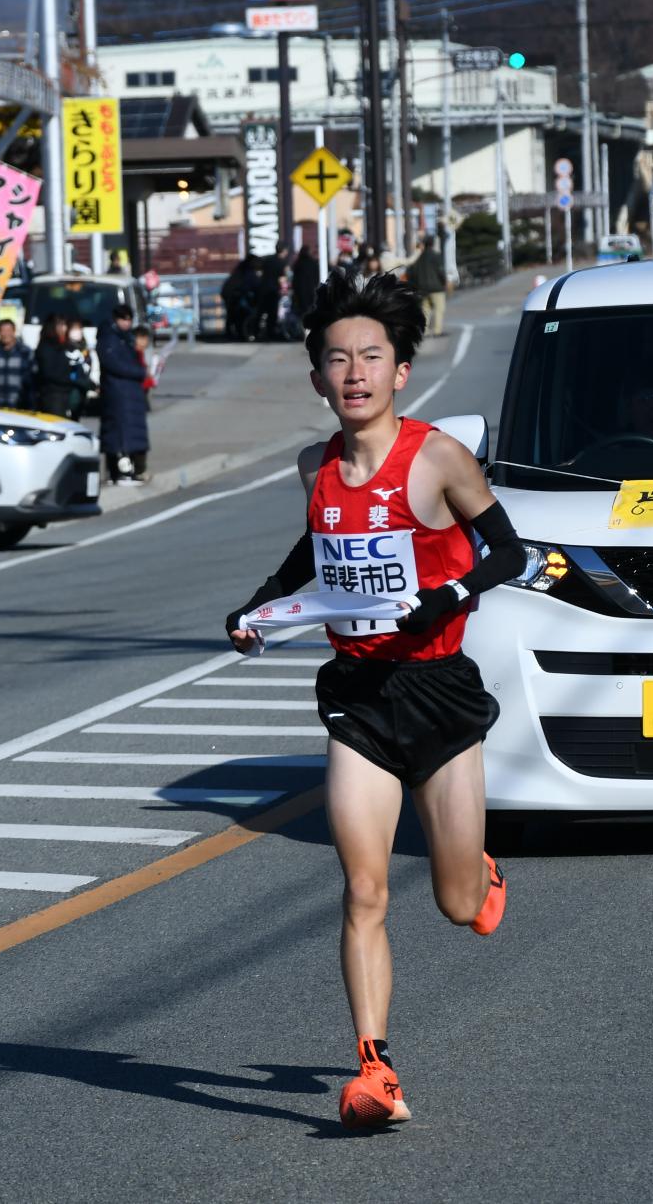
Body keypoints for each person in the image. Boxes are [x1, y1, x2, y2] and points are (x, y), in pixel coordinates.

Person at [222, 269, 524, 1131]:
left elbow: (510, 552)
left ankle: (479, 873)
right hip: (358, 696)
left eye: (371, 357)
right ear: (317, 377)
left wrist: (446, 597)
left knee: (457, 904)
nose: (354, 372)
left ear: (400, 371)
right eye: (337, 359)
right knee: (363, 887)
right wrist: (257, 608)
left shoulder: (437, 457)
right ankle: (375, 1071)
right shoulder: (312, 466)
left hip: (438, 691)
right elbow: (315, 549)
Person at [97, 303, 150, 485]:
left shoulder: (125, 337)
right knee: (119, 435)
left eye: (129, 319)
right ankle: (120, 472)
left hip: (128, 393)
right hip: (118, 393)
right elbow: (114, 364)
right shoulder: (110, 338)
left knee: (125, 434)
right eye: (123, 319)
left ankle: (125, 471)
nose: (127, 323)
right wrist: (139, 372)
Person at [34, 315, 93, 420]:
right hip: (53, 396)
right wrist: (75, 381)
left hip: (63, 395)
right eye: (61, 325)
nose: (64, 328)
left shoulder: (60, 347)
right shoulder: (48, 347)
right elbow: (52, 374)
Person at [0, 317, 35, 410]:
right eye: (3, 331)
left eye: (8, 330)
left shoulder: (25, 352)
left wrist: (31, 402)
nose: (5, 334)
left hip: (20, 405)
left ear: (14, 331)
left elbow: (32, 380)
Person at [408, 233, 451, 337]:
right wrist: (444, 282)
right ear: (432, 244)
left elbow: (413, 273)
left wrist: (416, 286)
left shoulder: (419, 258)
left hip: (422, 288)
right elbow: (440, 271)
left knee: (425, 310)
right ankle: (437, 331)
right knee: (439, 309)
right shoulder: (436, 256)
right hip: (436, 288)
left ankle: (425, 331)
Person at [221, 255, 258, 343]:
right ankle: (237, 333)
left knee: (232, 314)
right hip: (233, 293)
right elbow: (251, 284)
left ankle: (231, 333)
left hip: (230, 292)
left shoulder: (241, 269)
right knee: (238, 314)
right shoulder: (247, 270)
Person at [291, 243, 321, 321]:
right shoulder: (313, 263)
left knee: (301, 313)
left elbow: (294, 280)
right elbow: (317, 278)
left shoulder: (298, 264)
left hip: (300, 292)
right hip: (311, 291)